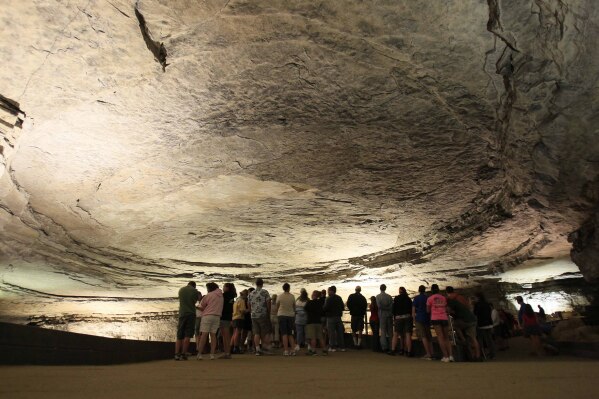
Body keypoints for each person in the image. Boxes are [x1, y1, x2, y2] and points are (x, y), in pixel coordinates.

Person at [448, 293, 481, 361]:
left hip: (466, 321)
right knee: (473, 338)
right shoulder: (460, 303)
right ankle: (477, 356)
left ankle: (463, 340)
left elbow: (447, 311)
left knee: (455, 326)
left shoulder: (451, 302)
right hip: (472, 320)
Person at [197, 282, 224, 360]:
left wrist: (195, 307)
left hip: (207, 316)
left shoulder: (209, 295)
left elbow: (202, 307)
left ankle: (199, 354)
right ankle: (212, 354)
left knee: (204, 335)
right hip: (217, 317)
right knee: (213, 335)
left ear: (209, 288)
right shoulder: (221, 296)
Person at [427, 284, 453, 362]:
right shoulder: (443, 298)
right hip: (444, 318)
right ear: (438, 290)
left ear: (431, 290)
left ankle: (445, 356)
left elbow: (428, 310)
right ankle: (451, 355)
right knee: (446, 338)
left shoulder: (430, 298)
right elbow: (447, 308)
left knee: (440, 337)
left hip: (435, 318)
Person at [175, 281, 199, 360]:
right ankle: (183, 354)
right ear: (194, 286)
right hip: (191, 313)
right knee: (188, 334)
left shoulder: (181, 290)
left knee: (179, 334)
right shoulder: (195, 291)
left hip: (182, 313)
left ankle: (176, 354)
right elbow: (195, 301)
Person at [248, 278, 272, 356]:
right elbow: (268, 302)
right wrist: (269, 312)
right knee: (264, 332)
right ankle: (264, 348)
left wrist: (251, 311)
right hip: (262, 314)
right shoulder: (265, 292)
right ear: (262, 284)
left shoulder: (251, 293)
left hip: (254, 315)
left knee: (256, 333)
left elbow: (249, 304)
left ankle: (257, 349)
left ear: (256, 284)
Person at [412, 285, 433, 360]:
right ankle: (432, 352)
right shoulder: (427, 298)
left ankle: (428, 353)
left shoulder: (417, 298)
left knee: (423, 336)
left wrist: (414, 319)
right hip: (427, 318)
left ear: (419, 290)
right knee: (429, 335)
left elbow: (413, 309)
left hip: (419, 318)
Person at [391, 286, 413, 357]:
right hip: (407, 317)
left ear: (399, 292)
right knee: (407, 334)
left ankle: (393, 350)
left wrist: (394, 317)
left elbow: (393, 309)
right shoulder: (408, 299)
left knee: (396, 334)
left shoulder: (396, 298)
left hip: (398, 317)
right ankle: (408, 351)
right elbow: (410, 309)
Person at [323, 285, 346, 352]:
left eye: (329, 291)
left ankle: (332, 347)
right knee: (340, 333)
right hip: (338, 317)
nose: (328, 292)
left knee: (331, 333)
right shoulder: (339, 298)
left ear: (331, 291)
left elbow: (325, 308)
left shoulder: (328, 299)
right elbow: (342, 307)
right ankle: (342, 347)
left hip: (331, 317)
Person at [305, 290, 328, 356]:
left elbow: (305, 309)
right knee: (320, 337)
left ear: (313, 295)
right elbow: (322, 311)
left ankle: (313, 351)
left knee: (313, 337)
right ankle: (324, 350)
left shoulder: (309, 302)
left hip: (311, 322)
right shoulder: (320, 303)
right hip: (318, 322)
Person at [276, 283, 297, 356]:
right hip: (290, 316)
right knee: (290, 334)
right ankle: (293, 350)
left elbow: (277, 306)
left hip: (282, 315)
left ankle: (286, 350)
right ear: (289, 288)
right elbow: (294, 307)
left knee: (284, 334)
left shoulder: (280, 296)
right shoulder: (292, 296)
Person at [473, 293, 495, 360]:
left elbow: (475, 313)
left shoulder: (477, 304)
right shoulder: (487, 304)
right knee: (490, 339)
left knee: (480, 340)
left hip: (481, 324)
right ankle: (492, 354)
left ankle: (482, 354)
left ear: (478, 298)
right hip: (489, 323)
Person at [219, 282, 237, 359]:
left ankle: (227, 352)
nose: (223, 288)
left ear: (227, 288)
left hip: (223, 316)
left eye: (224, 287)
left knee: (225, 335)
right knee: (226, 335)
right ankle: (227, 352)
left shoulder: (224, 296)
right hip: (229, 316)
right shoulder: (232, 296)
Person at [376, 284, 393, 353]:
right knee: (390, 331)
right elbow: (391, 306)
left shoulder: (378, 296)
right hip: (389, 315)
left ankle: (384, 347)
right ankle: (391, 346)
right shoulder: (389, 296)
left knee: (383, 331)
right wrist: (388, 308)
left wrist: (384, 308)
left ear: (380, 289)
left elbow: (379, 306)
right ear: (385, 288)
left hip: (382, 315)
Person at [231, 289, 248, 354]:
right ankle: (236, 347)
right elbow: (242, 310)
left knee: (235, 333)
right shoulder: (242, 301)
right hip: (239, 317)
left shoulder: (236, 300)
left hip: (234, 317)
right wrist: (248, 310)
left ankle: (231, 347)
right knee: (237, 333)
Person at [244, 287, 255, 353]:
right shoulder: (253, 299)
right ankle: (252, 347)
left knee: (249, 333)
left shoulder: (247, 299)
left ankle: (249, 346)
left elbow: (248, 309)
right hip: (251, 317)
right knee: (252, 333)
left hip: (248, 318)